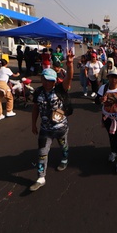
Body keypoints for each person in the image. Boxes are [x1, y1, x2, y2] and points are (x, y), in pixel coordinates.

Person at [29, 49, 74, 191]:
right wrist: (33, 124)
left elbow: (69, 78)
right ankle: (41, 177)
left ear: (55, 81)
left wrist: (70, 64)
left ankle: (65, 159)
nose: (47, 82)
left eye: (50, 80)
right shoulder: (38, 92)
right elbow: (35, 108)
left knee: (63, 146)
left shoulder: (60, 89)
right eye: (45, 79)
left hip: (61, 128)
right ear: (41, 79)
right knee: (42, 152)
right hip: (45, 129)